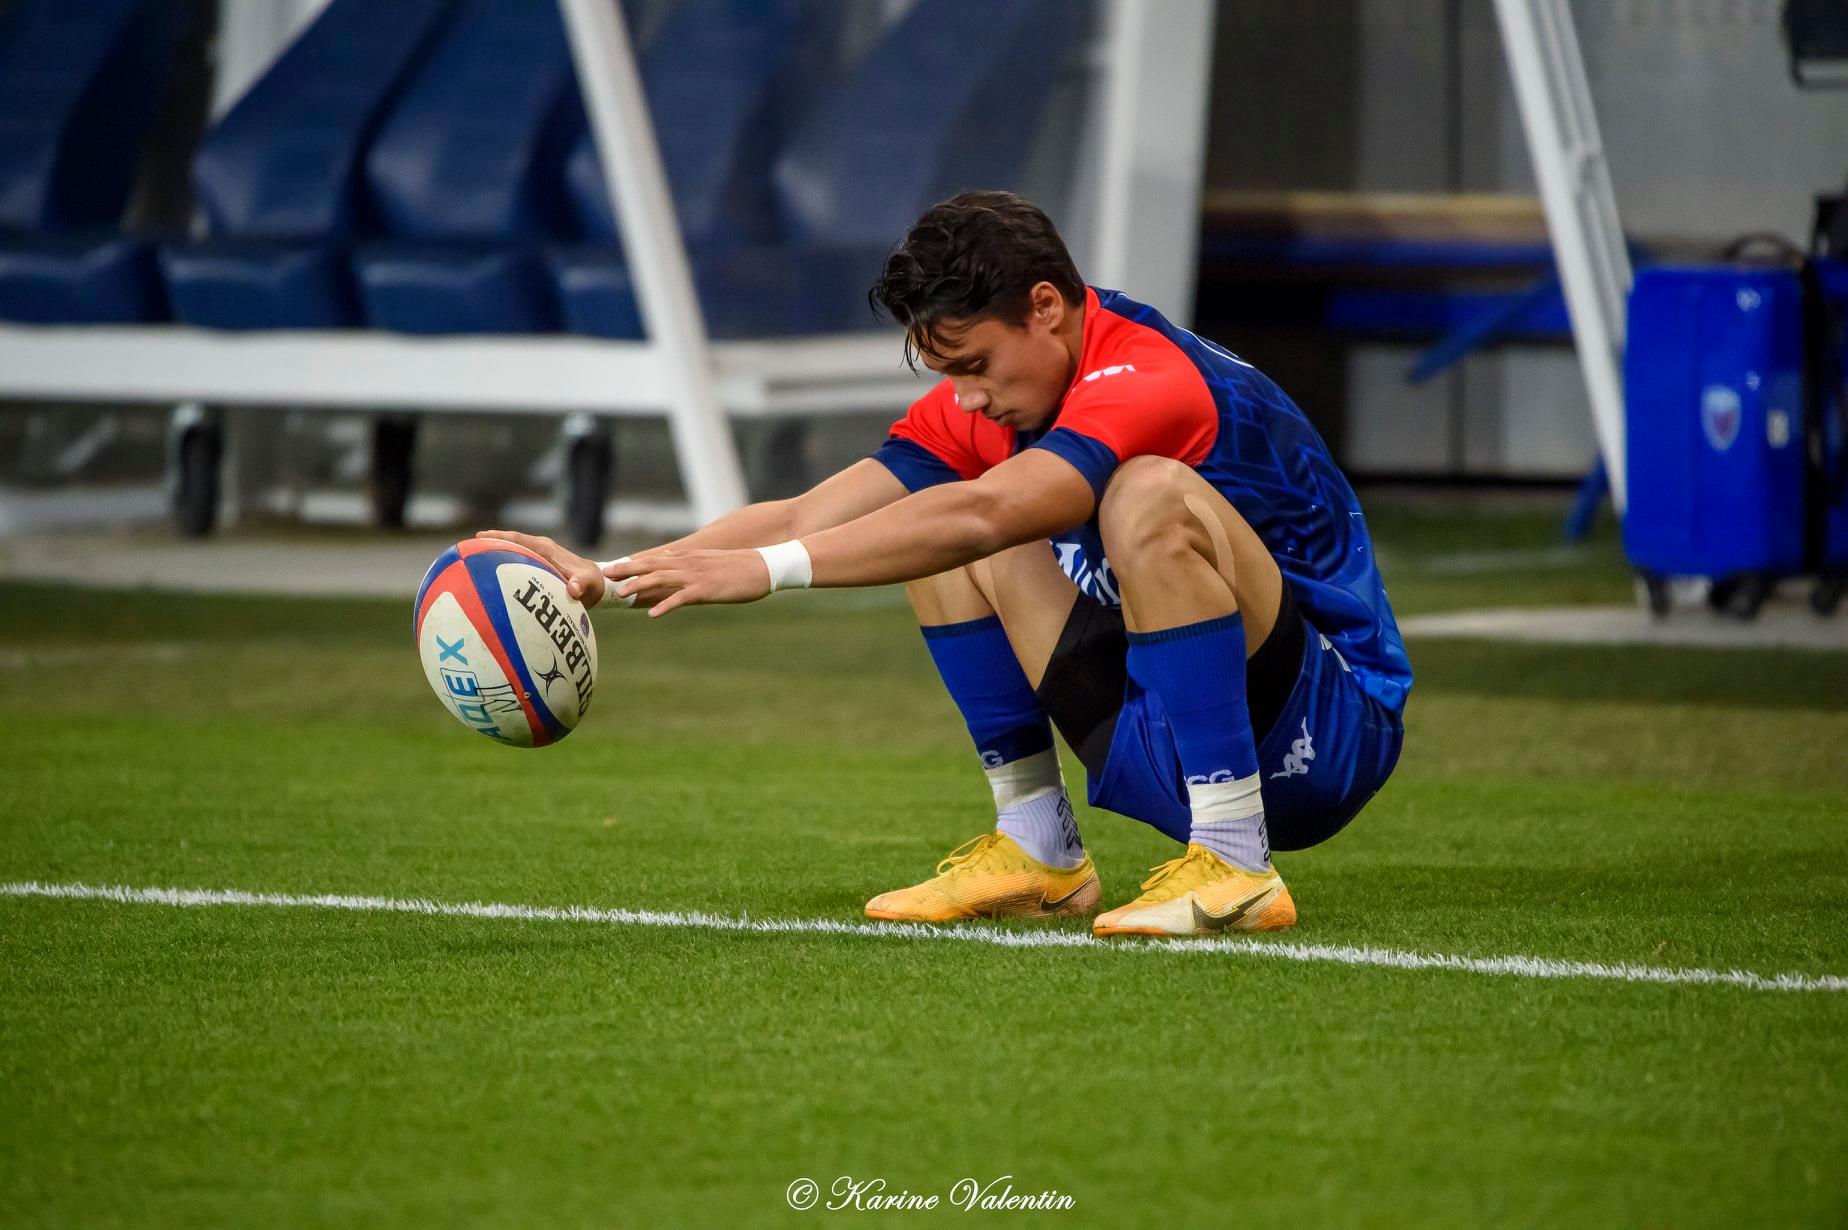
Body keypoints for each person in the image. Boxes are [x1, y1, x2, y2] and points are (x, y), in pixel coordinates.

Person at [486, 190, 1409, 937]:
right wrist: (605, 576)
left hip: (1323, 727)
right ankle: (1039, 846)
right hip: (1173, 717)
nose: (966, 397)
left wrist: (771, 572)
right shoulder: (992, 401)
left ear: (1046, 307)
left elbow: (993, 512)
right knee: (927, 511)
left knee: (1140, 494)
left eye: (975, 364)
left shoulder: (1153, 374)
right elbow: (812, 511)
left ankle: (1237, 861)